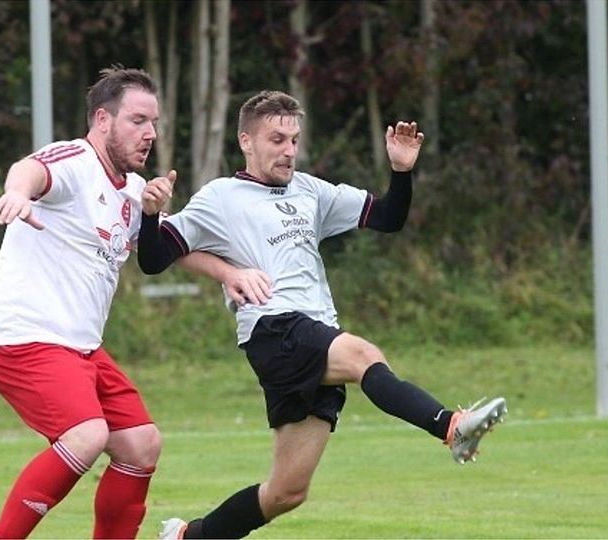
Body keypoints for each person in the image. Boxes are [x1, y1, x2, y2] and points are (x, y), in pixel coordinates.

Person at [137, 90, 508, 539]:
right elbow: (154, 258)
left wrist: (401, 171)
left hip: (311, 333)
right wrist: (151, 216)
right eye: (277, 139)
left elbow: (388, 217)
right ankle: (451, 426)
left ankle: (187, 536)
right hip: (274, 328)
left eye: (294, 140)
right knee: (363, 355)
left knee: (286, 492)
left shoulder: (310, 190)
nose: (289, 150)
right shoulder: (221, 197)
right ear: (246, 141)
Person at [0, 67, 268, 540]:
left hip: (80, 348)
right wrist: (16, 193)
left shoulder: (133, 192)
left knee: (140, 445)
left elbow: (169, 245)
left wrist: (230, 273)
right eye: (138, 120)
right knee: (86, 435)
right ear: (102, 120)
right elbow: (30, 169)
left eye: (154, 123)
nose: (150, 133)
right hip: (25, 337)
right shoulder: (76, 161)